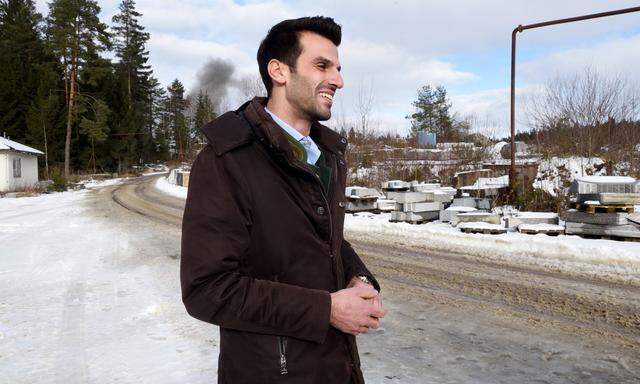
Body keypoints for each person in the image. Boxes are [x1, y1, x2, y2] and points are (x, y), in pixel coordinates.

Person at [180, 16, 386, 384]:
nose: (338, 80)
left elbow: (324, 238)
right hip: (270, 373)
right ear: (279, 71)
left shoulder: (327, 154)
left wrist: (358, 277)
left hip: (336, 367)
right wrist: (325, 309)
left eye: (338, 68)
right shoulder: (227, 159)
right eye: (322, 65)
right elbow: (207, 289)